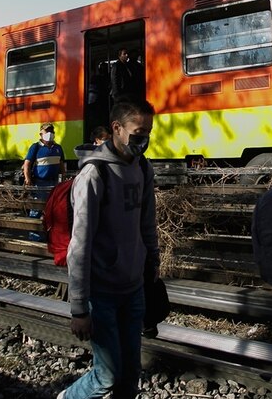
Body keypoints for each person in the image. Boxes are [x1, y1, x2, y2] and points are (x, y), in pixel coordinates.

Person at [60, 99, 158, 399]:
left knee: (130, 375)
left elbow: (147, 223)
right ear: (117, 128)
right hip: (101, 293)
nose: (144, 139)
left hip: (134, 289)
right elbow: (80, 245)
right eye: (139, 132)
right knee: (107, 375)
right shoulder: (94, 175)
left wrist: (152, 266)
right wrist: (79, 308)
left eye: (149, 132)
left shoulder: (143, 167)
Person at [23, 123, 65, 198]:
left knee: (53, 205)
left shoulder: (58, 148)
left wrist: (63, 178)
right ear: (41, 134)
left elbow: (61, 164)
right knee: (38, 206)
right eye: (47, 131)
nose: (49, 134)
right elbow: (27, 164)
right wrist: (27, 179)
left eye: (51, 132)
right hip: (40, 183)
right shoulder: (35, 147)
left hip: (55, 182)